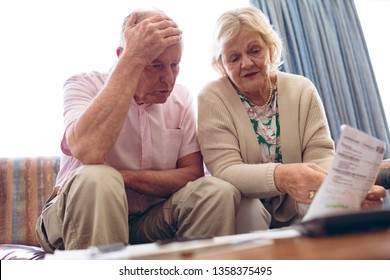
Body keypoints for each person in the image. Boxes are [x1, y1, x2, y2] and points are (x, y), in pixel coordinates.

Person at [35, 8, 241, 252]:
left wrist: (125, 178)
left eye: (175, 65)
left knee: (217, 191)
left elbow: (192, 174)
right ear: (124, 55)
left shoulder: (181, 97)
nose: (168, 78)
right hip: (72, 215)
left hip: (146, 220)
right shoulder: (82, 85)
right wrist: (132, 60)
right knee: (98, 178)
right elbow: (90, 152)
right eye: (154, 65)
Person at [197, 6, 387, 231]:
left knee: (333, 203)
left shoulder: (301, 89)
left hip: (300, 200)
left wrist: (345, 189)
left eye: (254, 50)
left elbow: (320, 157)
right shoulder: (212, 98)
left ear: (270, 48)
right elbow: (226, 170)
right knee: (248, 210)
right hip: (246, 205)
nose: (246, 63)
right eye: (234, 58)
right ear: (221, 64)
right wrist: (282, 176)